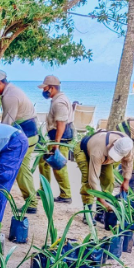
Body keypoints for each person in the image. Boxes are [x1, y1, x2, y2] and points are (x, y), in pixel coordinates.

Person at [0, 69, 39, 213]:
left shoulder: (10, 97)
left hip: (26, 136)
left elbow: (6, 127)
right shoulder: (11, 91)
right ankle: (31, 202)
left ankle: (28, 202)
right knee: (22, 169)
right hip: (30, 134)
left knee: (9, 168)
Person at [73, 130, 134, 212]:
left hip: (105, 157)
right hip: (84, 150)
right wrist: (101, 199)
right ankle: (88, 212)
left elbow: (128, 163)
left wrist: (126, 181)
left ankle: (101, 211)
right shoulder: (98, 151)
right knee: (88, 183)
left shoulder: (127, 146)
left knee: (109, 180)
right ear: (113, 144)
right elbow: (93, 179)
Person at [37, 75, 75, 204]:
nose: (44, 91)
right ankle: (44, 188)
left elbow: (61, 124)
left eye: (45, 88)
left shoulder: (59, 102)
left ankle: (66, 194)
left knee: (59, 165)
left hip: (60, 137)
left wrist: (57, 144)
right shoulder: (57, 99)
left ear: (52, 88)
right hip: (55, 136)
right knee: (44, 162)